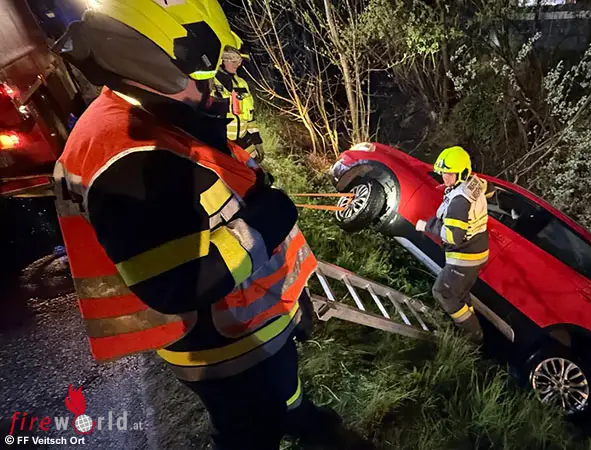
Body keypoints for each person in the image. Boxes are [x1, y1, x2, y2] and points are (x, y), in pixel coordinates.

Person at [51, 2, 368, 449]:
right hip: (226, 350)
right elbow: (178, 282)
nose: (214, 88)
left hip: (252, 326)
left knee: (285, 393)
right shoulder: (130, 159)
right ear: (147, 63)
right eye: (201, 76)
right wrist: (267, 221)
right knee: (247, 433)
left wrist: (289, 301)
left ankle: (303, 420)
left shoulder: (147, 119)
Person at [416, 146, 489, 343]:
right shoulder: (473, 183)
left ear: (462, 173)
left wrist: (427, 225)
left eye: (449, 173)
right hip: (478, 249)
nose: (445, 178)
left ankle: (473, 337)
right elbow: (487, 187)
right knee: (460, 292)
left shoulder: (459, 201)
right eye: (443, 173)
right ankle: (468, 322)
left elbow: (453, 236)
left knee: (443, 292)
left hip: (465, 256)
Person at [213, 46, 264, 161]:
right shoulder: (211, 82)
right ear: (222, 60)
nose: (237, 64)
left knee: (254, 165)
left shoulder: (242, 84)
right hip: (220, 141)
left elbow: (250, 116)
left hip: (242, 139)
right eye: (233, 61)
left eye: (239, 61)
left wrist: (257, 141)